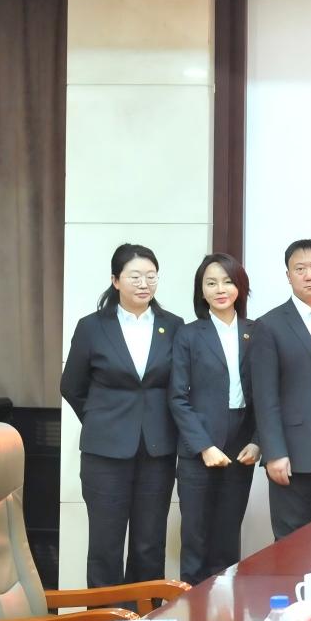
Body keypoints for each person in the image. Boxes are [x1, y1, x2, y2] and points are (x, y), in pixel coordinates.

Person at [60, 243, 183, 587]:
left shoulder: (173, 326)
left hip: (157, 450)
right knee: (106, 546)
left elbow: (180, 385)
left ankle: (147, 616)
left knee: (149, 544)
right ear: (116, 280)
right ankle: (106, 617)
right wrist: (102, 420)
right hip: (105, 452)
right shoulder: (92, 327)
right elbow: (72, 385)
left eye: (151, 276)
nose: (144, 284)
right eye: (135, 276)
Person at [167, 252, 259, 584]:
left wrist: (258, 441)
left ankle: (224, 608)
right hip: (199, 447)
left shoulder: (256, 332)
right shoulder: (189, 334)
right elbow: (177, 397)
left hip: (242, 446)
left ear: (240, 287)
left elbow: (267, 395)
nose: (220, 289)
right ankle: (192, 608)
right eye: (211, 283)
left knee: (228, 537)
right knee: (195, 537)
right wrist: (204, 446)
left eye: (228, 281)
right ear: (201, 291)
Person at [252, 238, 311, 538]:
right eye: (300, 269)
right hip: (295, 454)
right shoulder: (269, 325)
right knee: (294, 542)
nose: (309, 275)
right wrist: (274, 453)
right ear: (288, 275)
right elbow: (265, 396)